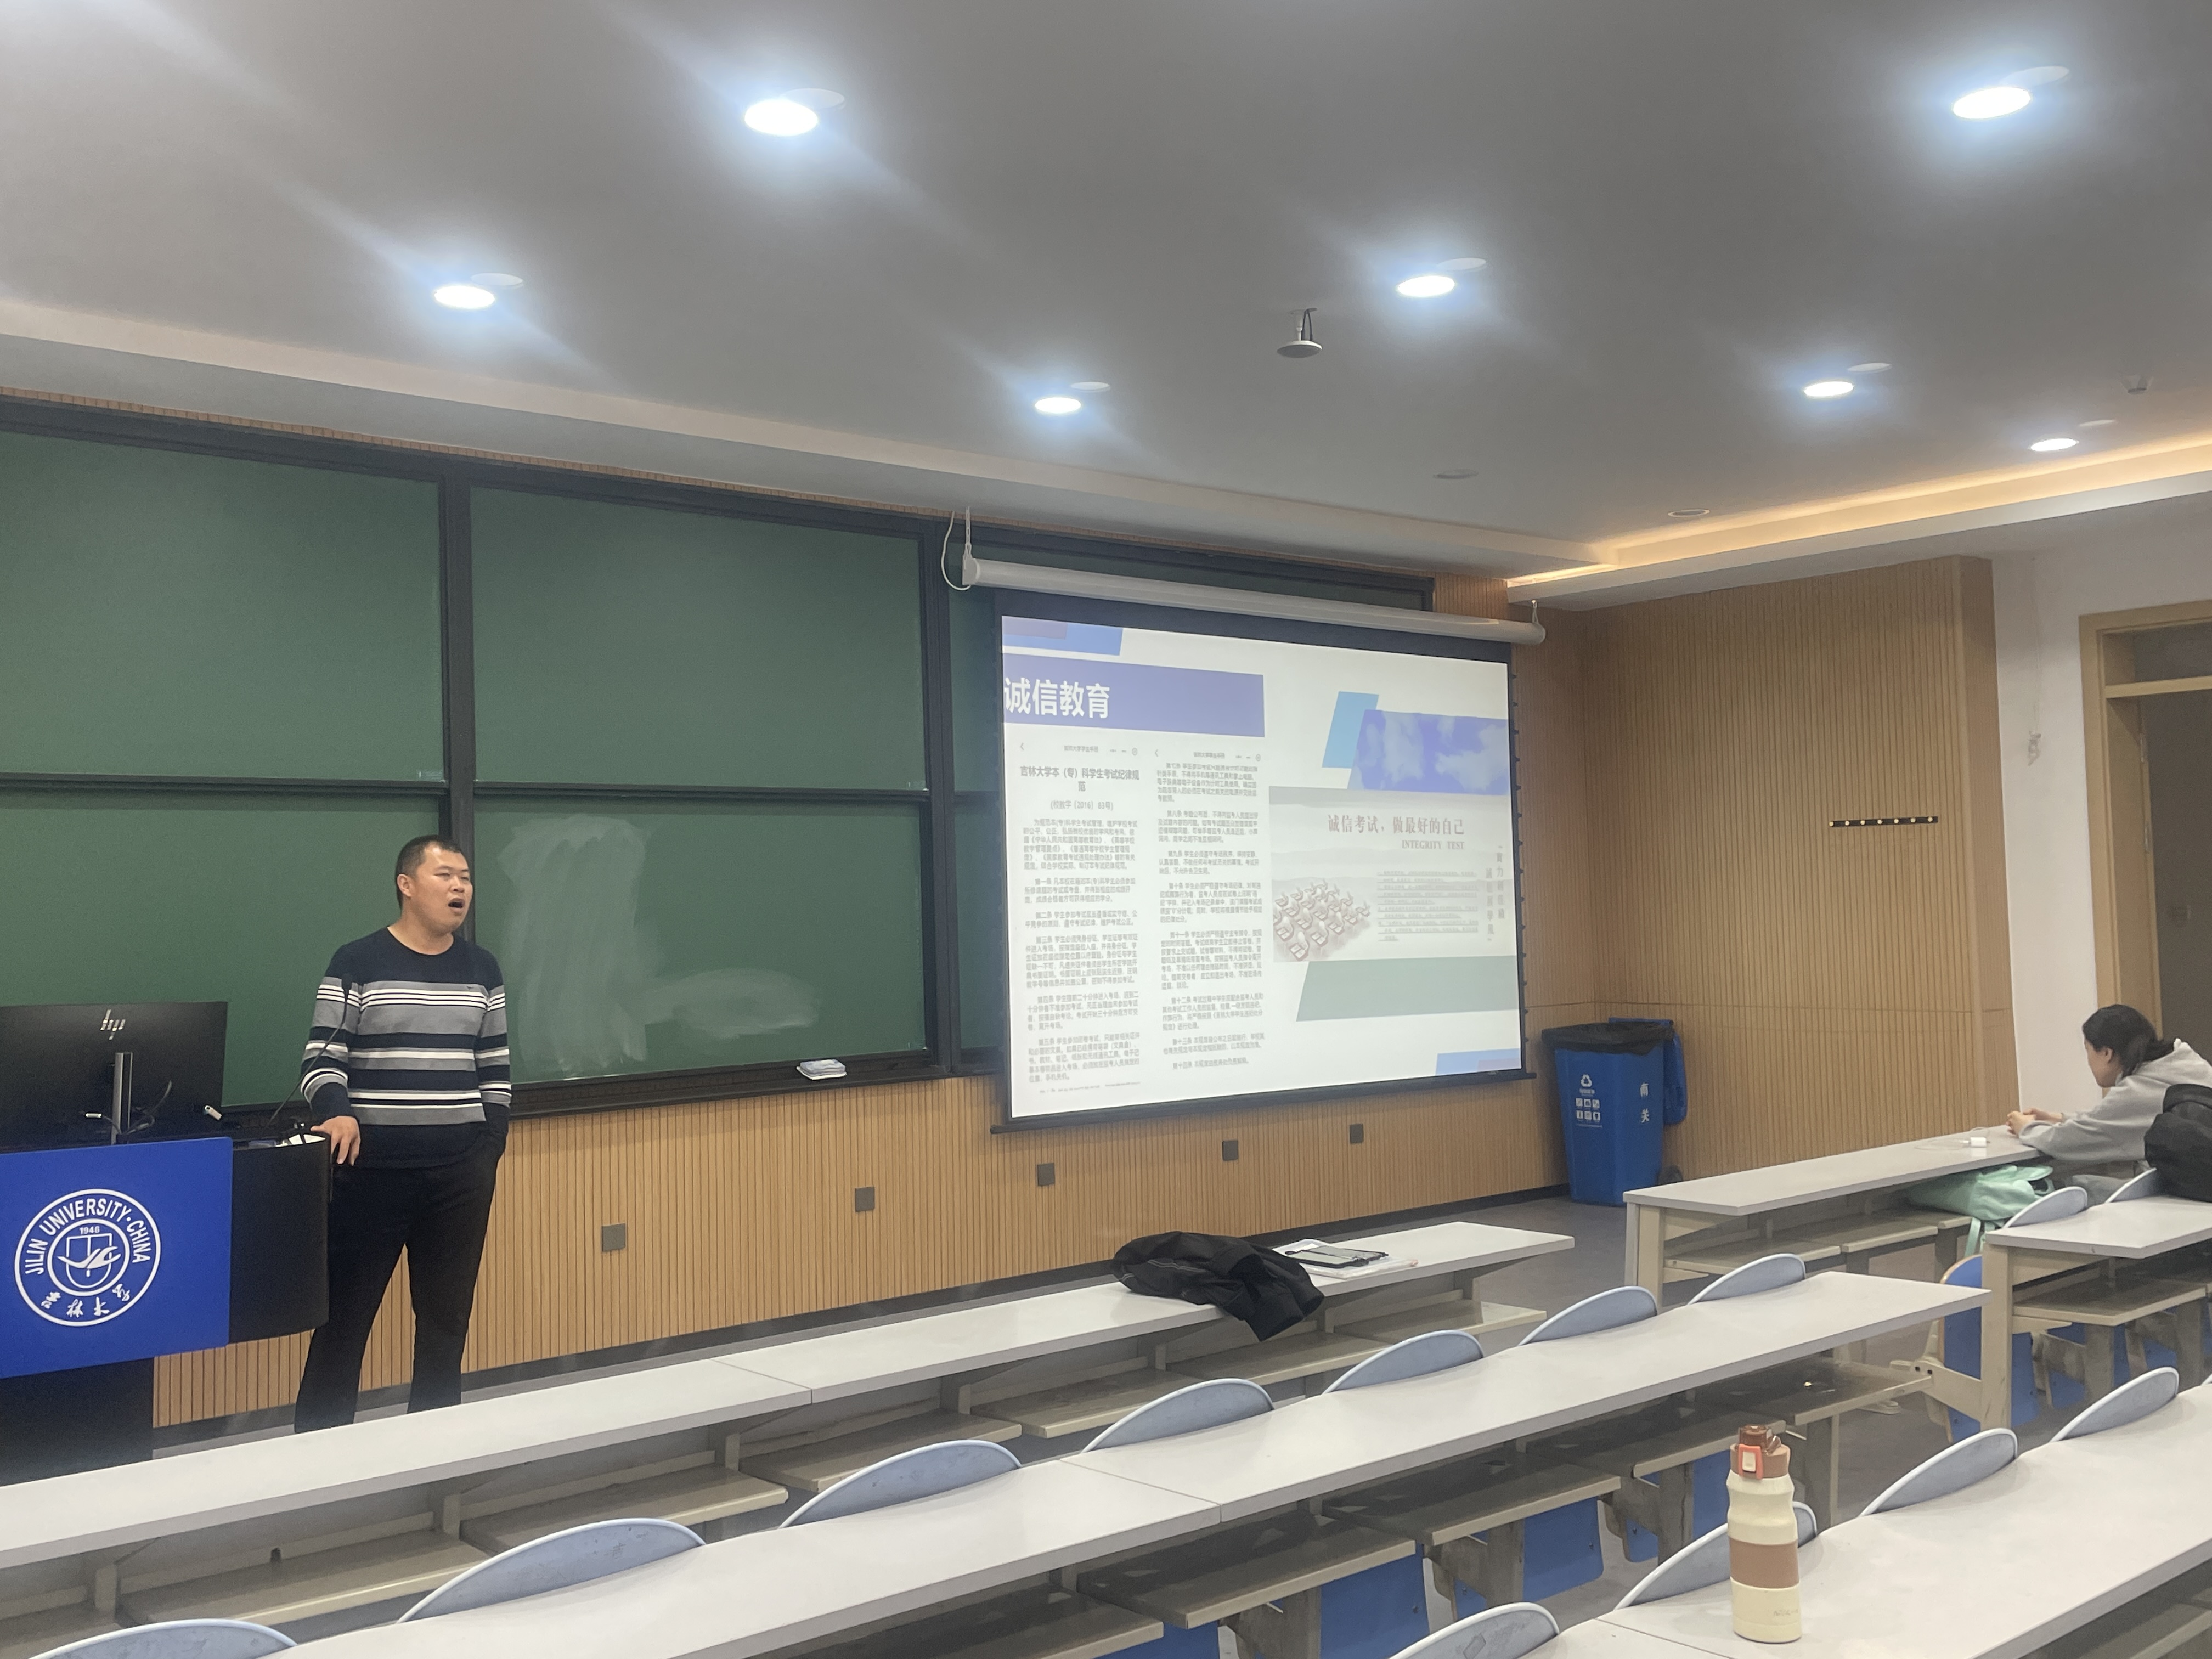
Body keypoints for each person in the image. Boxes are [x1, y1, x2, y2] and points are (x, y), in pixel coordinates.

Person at [292, 836, 510, 1432]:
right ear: (407, 885)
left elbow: (494, 1066)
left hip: (460, 1173)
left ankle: (432, 1451)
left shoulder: (482, 969)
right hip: (370, 1173)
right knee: (344, 1321)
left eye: (465, 877)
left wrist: (490, 1143)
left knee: (446, 1323)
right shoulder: (358, 961)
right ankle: (317, 1454)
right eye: (445, 875)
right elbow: (320, 1060)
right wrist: (337, 1110)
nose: (460, 887)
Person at [2007, 1005, 2212, 1194]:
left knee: (2073, 1186)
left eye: (2088, 1050)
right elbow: (2111, 1120)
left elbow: (2069, 1141)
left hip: (2187, 1192)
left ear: (2106, 1053)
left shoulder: (2135, 1092)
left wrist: (2026, 1128)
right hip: (2199, 1182)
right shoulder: (2186, 1062)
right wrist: (2059, 1118)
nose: (2089, 1062)